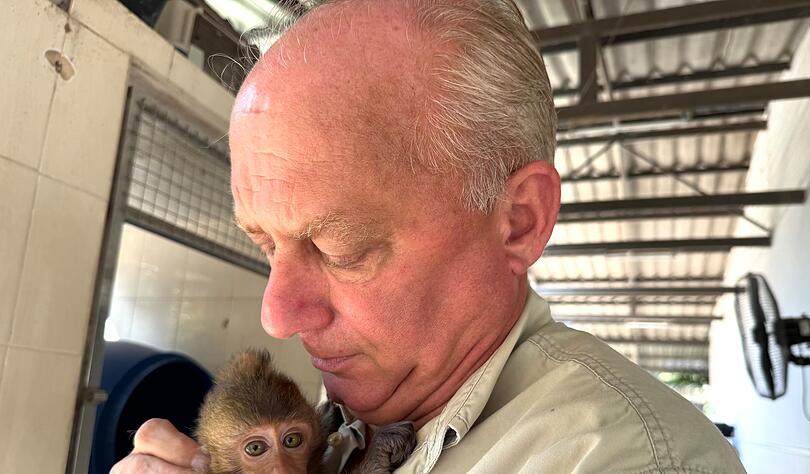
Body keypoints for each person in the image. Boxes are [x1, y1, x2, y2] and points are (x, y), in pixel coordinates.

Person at [113, 0, 746, 472]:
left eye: (341, 248)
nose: (277, 315)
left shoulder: (612, 457)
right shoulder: (339, 420)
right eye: (268, 245)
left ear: (519, 221)